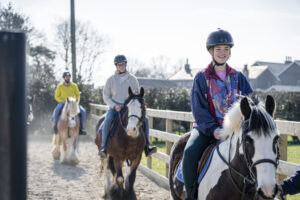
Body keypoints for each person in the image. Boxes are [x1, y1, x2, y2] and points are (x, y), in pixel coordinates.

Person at [182, 29, 253, 200]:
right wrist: (213, 129)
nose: (222, 53)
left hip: (234, 129)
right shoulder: (201, 77)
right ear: (210, 51)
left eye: (226, 49)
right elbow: (198, 108)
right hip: (206, 129)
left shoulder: (239, 77)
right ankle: (191, 194)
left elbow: (250, 103)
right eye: (218, 49)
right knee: (189, 152)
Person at [98, 54, 157, 158]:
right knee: (108, 119)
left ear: (126, 65)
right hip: (115, 107)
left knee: (146, 120)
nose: (121, 66)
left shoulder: (133, 79)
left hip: (129, 108)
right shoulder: (110, 80)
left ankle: (147, 146)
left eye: (123, 64)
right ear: (116, 66)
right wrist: (114, 106)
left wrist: (139, 106)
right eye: (119, 65)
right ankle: (104, 147)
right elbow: (106, 96)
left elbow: (138, 95)